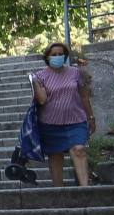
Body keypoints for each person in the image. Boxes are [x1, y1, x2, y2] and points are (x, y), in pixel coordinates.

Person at [31, 41, 95, 188]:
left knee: (79, 150)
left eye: (61, 54)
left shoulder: (75, 72)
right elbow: (42, 100)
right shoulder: (40, 76)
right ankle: (59, 194)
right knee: (55, 158)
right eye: (54, 55)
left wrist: (91, 117)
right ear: (47, 57)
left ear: (65, 56)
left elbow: (84, 96)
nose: (58, 57)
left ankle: (86, 190)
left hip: (75, 121)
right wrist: (34, 82)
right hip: (50, 124)